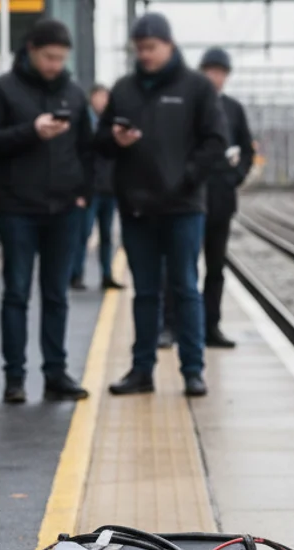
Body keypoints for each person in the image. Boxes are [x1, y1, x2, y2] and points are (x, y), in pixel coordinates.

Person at [96, 13, 227, 398]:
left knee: (186, 287)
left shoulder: (196, 88)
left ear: (169, 45)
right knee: (146, 292)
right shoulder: (124, 89)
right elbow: (100, 140)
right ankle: (141, 370)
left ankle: (192, 370)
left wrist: (186, 177)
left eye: (151, 48)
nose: (146, 55)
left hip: (183, 206)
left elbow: (215, 141)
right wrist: (114, 139)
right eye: (140, 49)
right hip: (137, 207)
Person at [0, 18, 93, 404]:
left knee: (57, 294)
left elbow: (87, 148)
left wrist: (83, 194)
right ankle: (15, 378)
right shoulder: (2, 89)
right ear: (31, 51)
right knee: (17, 294)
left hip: (64, 210)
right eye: (49, 57)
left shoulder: (74, 94)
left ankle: (56, 374)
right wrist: (31, 131)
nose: (55, 64)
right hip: (19, 208)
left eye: (61, 58)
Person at [195, 47, 254, 348]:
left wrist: (236, 175)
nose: (215, 77)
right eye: (210, 71)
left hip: (221, 199)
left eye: (220, 72)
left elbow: (247, 148)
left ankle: (211, 326)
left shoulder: (233, 109)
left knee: (216, 267)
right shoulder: (189, 103)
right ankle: (176, 325)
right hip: (190, 199)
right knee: (183, 267)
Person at [70, 84, 122, 291]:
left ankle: (107, 275)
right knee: (83, 234)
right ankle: (76, 274)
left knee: (107, 235)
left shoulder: (112, 124)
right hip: (89, 189)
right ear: (92, 99)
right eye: (99, 97)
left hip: (110, 188)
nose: (103, 102)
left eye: (105, 98)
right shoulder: (85, 123)